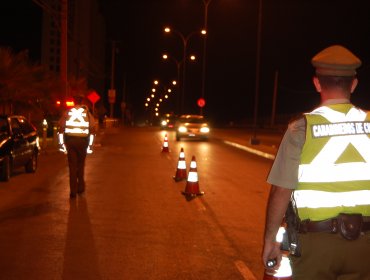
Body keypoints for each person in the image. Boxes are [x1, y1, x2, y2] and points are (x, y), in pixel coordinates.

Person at [262, 45, 370, 279]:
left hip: (315, 246)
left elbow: (281, 190)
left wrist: (270, 241)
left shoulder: (301, 128)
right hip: (366, 246)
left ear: (317, 84)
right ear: (353, 84)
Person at [59, 93, 95, 198]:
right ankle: (80, 188)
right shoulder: (87, 113)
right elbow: (92, 130)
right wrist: (90, 145)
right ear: (82, 101)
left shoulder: (68, 112)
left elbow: (61, 128)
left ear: (74, 101)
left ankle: (73, 191)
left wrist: (62, 144)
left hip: (70, 142)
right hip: (83, 143)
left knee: (72, 167)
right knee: (80, 165)